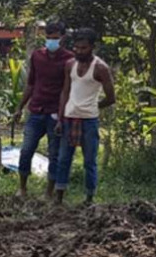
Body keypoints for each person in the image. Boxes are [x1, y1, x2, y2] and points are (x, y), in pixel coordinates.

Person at [55, 28, 116, 206]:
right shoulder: (70, 65)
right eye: (76, 48)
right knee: (63, 159)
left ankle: (89, 199)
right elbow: (65, 91)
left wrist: (93, 107)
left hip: (89, 120)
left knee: (89, 161)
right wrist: (60, 118)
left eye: (83, 48)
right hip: (69, 117)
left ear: (92, 47)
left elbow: (111, 98)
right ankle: (59, 198)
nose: (79, 51)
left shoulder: (101, 68)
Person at [15, 22, 74, 198]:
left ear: (62, 38)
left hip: (55, 112)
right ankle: (23, 188)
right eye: (48, 38)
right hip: (36, 110)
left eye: (55, 38)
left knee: (54, 153)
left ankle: (49, 192)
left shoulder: (69, 60)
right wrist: (19, 107)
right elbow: (31, 83)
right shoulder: (37, 56)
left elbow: (67, 89)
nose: (51, 41)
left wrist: (62, 117)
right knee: (26, 150)